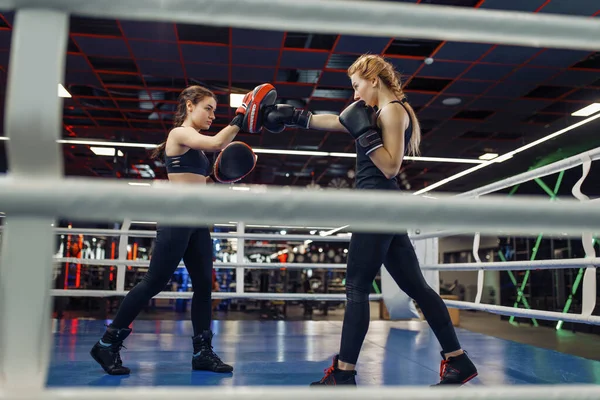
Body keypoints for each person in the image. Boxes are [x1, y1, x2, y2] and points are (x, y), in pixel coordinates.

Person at [262, 54, 478, 386]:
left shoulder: (393, 111)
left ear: (373, 80)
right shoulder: (377, 112)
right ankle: (458, 360)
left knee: (357, 287)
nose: (354, 94)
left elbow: (391, 166)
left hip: (377, 206)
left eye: (356, 86)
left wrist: (365, 135)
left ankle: (344, 373)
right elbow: (338, 120)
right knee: (416, 287)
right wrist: (295, 116)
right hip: (383, 206)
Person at [90, 83, 276, 376]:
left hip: (198, 222)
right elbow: (217, 144)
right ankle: (107, 343)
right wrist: (243, 113)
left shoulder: (198, 151)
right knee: (153, 282)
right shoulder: (179, 135)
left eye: (215, 110)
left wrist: (225, 178)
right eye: (208, 108)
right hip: (176, 218)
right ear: (190, 106)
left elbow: (202, 184)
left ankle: (202, 352)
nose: (213, 115)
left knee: (204, 287)